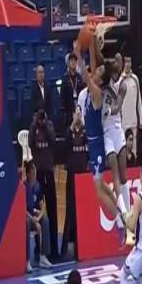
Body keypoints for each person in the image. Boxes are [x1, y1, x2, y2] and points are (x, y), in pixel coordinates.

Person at [76, 36, 127, 247]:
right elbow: (93, 64)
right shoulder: (94, 88)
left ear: (99, 79)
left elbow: (85, 73)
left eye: (97, 71)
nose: (94, 71)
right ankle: (121, 210)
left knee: (98, 190)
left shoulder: (96, 92)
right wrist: (91, 43)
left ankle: (119, 223)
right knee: (102, 185)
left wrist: (78, 53)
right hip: (93, 142)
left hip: (97, 144)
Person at [102, 52, 131, 222]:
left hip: (117, 129)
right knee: (114, 170)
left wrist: (108, 110)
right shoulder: (105, 79)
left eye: (119, 60)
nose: (117, 62)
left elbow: (118, 106)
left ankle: (128, 212)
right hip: (106, 132)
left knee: (123, 174)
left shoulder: (123, 85)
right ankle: (122, 215)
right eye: (115, 60)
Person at [28, 109, 59, 259]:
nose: (40, 119)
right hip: (38, 173)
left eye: (42, 117)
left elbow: (53, 142)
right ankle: (37, 249)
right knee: (37, 210)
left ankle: (54, 249)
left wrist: (45, 125)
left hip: (48, 171)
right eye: (38, 117)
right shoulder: (33, 127)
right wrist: (35, 125)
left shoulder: (49, 125)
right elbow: (30, 144)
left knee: (52, 210)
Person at [61, 107, 88, 256]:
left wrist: (83, 124)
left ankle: (81, 247)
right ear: (72, 115)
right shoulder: (69, 132)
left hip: (83, 178)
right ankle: (64, 248)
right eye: (76, 113)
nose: (78, 115)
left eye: (79, 112)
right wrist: (72, 125)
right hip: (72, 178)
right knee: (70, 211)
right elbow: (64, 146)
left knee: (82, 212)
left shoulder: (85, 131)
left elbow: (89, 149)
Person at [24, 161, 54, 273]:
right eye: (32, 171)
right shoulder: (23, 187)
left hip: (35, 216)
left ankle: (43, 257)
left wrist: (39, 217)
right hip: (27, 217)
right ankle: (26, 261)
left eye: (35, 171)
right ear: (28, 173)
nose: (35, 173)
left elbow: (42, 206)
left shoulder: (38, 186)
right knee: (26, 223)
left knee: (45, 219)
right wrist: (33, 220)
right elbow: (22, 209)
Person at [121, 56, 142, 154]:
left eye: (129, 62)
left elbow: (139, 100)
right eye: (126, 62)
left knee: (133, 150)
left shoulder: (135, 79)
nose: (128, 64)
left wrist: (141, 119)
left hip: (133, 120)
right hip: (122, 122)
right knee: (123, 148)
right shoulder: (119, 80)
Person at [60, 53, 84, 130]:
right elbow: (62, 96)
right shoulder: (65, 79)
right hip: (69, 109)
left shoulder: (79, 78)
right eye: (71, 61)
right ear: (68, 63)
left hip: (79, 107)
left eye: (75, 61)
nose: (73, 62)